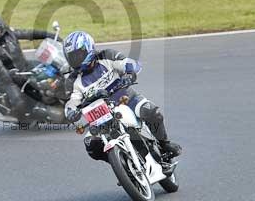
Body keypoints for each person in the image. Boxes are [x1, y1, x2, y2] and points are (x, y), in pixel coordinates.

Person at [62, 30, 182, 161]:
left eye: (78, 54)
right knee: (91, 145)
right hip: (100, 116)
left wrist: (130, 72)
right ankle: (122, 164)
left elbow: (126, 62)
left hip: (127, 99)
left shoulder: (106, 56)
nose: (76, 60)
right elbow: (71, 101)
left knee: (153, 113)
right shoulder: (72, 81)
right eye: (72, 57)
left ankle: (164, 144)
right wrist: (71, 111)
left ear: (88, 48)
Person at [0, 14, 57, 117]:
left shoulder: (10, 34)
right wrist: (12, 76)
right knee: (19, 103)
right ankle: (17, 117)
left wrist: (48, 35)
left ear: (1, 28)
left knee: (49, 72)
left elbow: (28, 33)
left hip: (25, 66)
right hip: (10, 78)